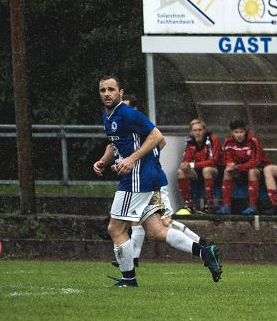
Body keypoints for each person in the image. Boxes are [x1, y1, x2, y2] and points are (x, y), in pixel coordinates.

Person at [92, 76, 223, 286]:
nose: (107, 93)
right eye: (102, 90)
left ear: (121, 92)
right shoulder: (109, 116)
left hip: (136, 180)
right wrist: (103, 161)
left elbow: (157, 137)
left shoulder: (128, 113)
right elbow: (114, 144)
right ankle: (205, 252)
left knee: (115, 229)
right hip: (146, 180)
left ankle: (128, 279)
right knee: (156, 230)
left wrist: (132, 159)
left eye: (111, 89)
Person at [215, 119, 271, 216]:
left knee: (252, 171)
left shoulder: (253, 141)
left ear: (245, 131)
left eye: (241, 132)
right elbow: (226, 158)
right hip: (240, 171)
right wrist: (231, 164)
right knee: (227, 171)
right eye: (236, 132)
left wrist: (238, 167)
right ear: (232, 133)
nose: (239, 135)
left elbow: (256, 161)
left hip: (259, 171)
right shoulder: (228, 141)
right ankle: (226, 205)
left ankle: (253, 206)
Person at [177, 119, 221, 213]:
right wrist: (185, 164)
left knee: (206, 170)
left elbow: (213, 161)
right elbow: (187, 159)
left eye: (200, 130)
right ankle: (189, 205)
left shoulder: (212, 139)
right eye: (195, 130)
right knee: (181, 172)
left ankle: (209, 205)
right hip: (198, 171)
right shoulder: (190, 142)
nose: (197, 133)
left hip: (215, 170)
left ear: (204, 130)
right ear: (191, 132)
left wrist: (193, 164)